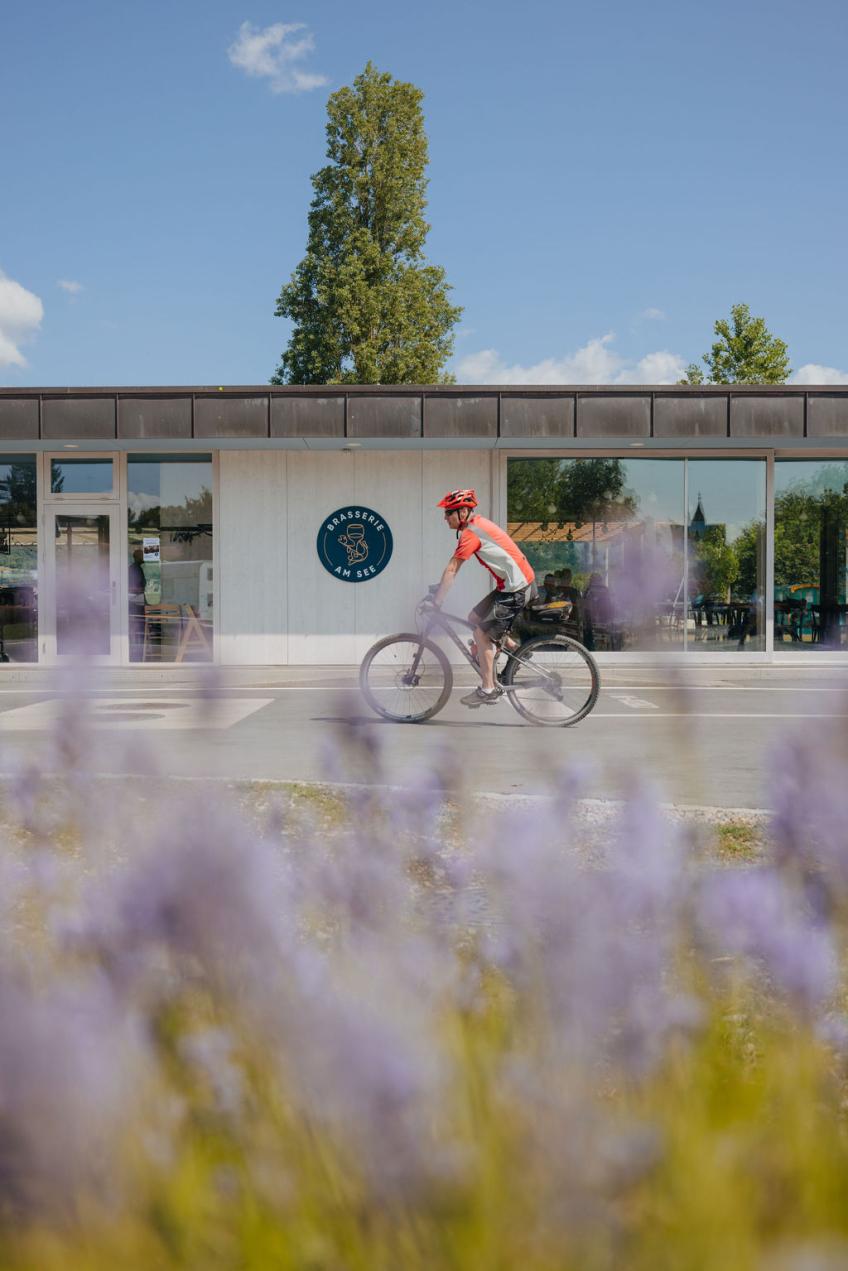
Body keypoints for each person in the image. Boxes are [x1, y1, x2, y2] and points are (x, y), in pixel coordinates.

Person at [432, 489, 535, 708]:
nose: (445, 517)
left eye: (448, 512)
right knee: (474, 618)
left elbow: (452, 569)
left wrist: (437, 601)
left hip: (517, 588)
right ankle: (515, 649)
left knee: (482, 634)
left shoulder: (471, 534)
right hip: (510, 586)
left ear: (462, 512)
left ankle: (488, 689)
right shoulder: (475, 525)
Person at [128, 547, 147, 661]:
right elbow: (132, 587)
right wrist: (139, 590)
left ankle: (138, 648)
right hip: (135, 601)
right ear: (137, 557)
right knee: (138, 625)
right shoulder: (134, 569)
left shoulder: (137, 568)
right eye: (142, 555)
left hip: (136, 600)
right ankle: (138, 649)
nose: (144, 557)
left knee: (138, 625)